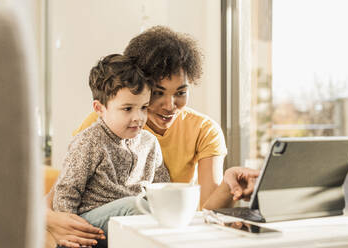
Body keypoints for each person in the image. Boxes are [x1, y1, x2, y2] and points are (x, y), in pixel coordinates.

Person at [46, 26, 259, 248]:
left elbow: (202, 208)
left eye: (181, 93)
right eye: (158, 93)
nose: (170, 105)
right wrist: (57, 224)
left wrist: (229, 183)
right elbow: (63, 191)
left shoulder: (199, 131)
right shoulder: (103, 124)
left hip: (145, 230)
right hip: (103, 224)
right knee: (137, 206)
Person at [51, 53, 170, 247]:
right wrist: (68, 236)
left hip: (132, 223)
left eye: (143, 107)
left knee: (151, 209)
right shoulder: (89, 141)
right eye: (127, 109)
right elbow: (66, 192)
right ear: (99, 108)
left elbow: (162, 188)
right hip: (89, 224)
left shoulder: (150, 143)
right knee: (133, 206)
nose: (138, 117)